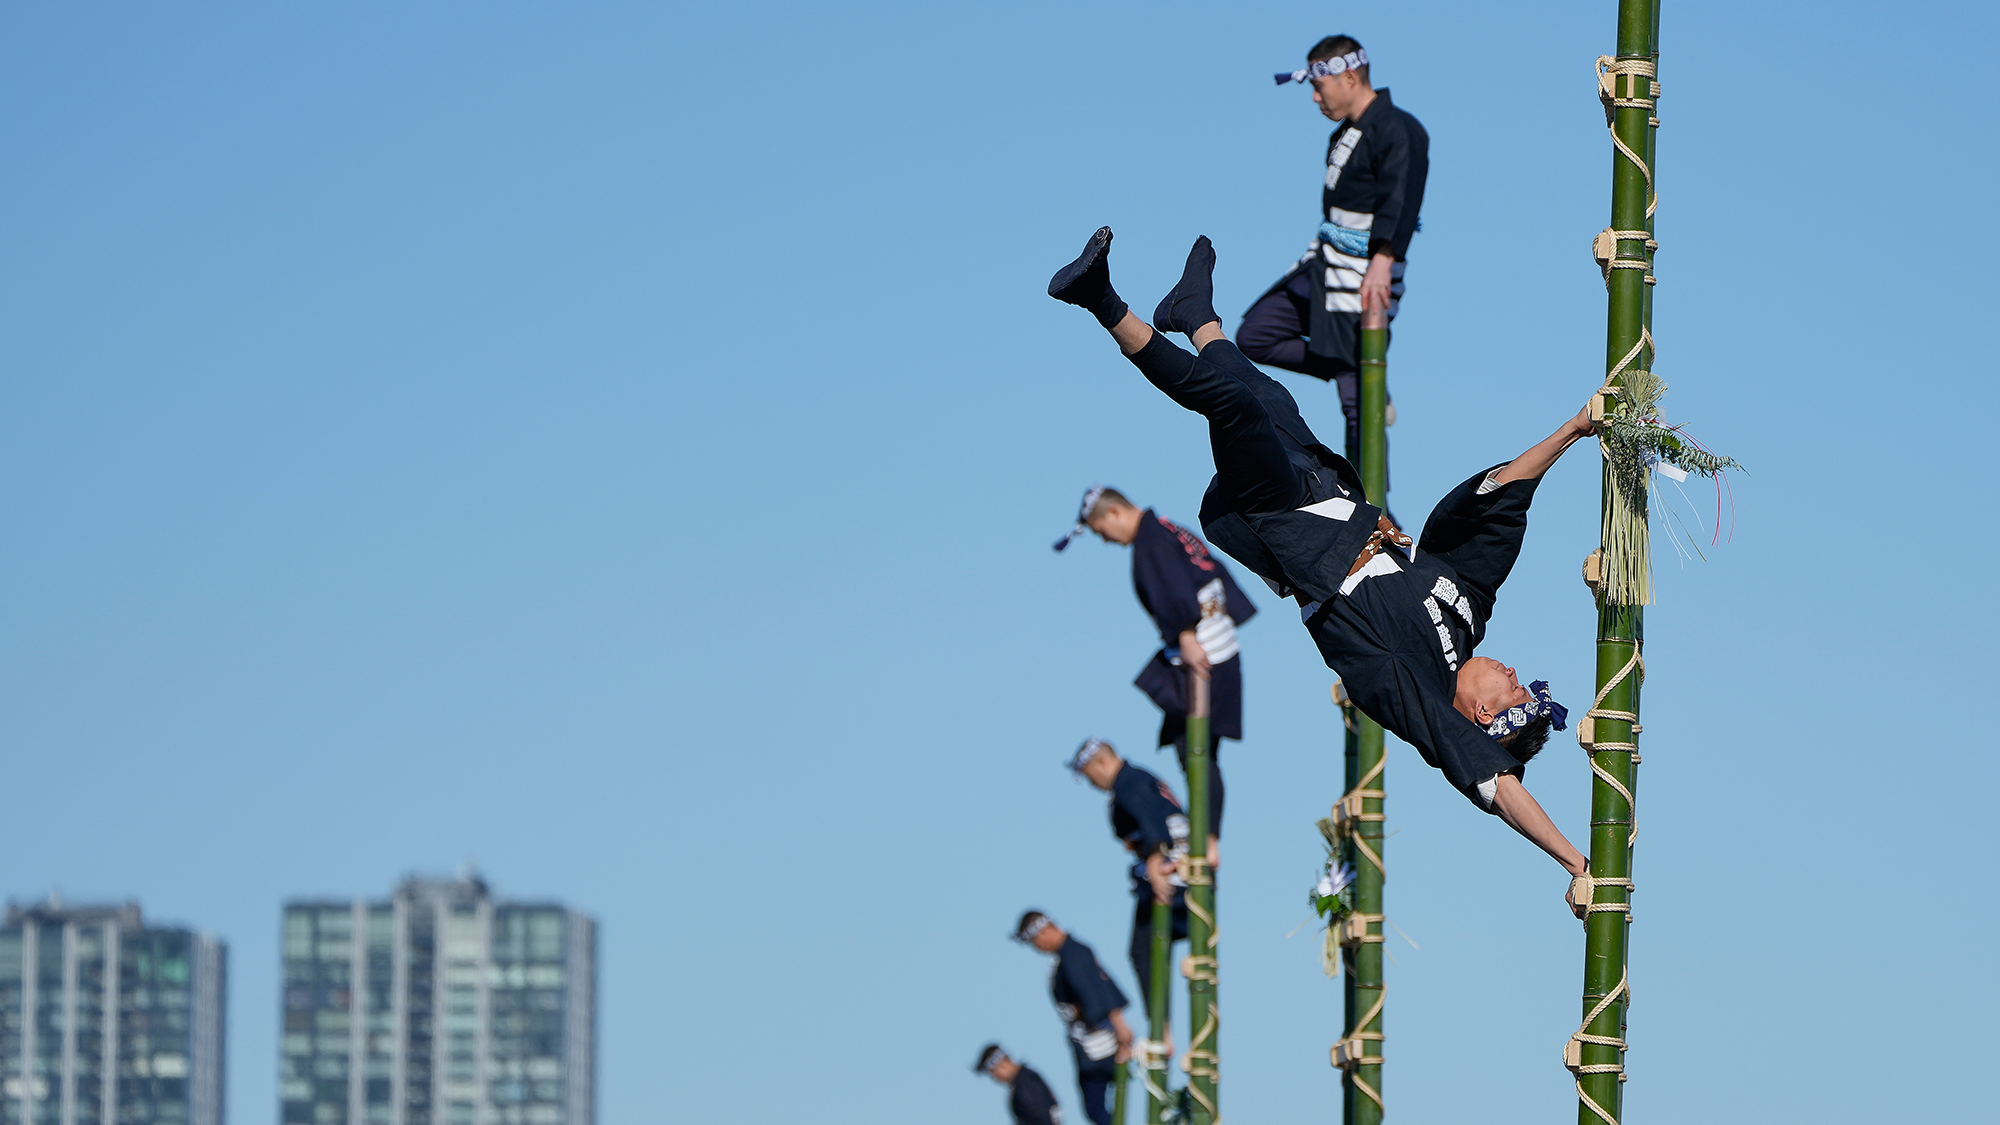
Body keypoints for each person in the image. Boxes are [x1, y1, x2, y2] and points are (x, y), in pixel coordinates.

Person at [1048, 228, 1592, 914]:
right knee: (1265, 396)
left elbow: (1498, 784)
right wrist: (1571, 432)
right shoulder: (1468, 605)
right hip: (1329, 491)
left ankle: (1100, 298)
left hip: (1283, 527)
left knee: (1234, 405)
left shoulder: (1415, 688)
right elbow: (1501, 499)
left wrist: (1576, 862)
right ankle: (1195, 315)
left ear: (1483, 713)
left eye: (1509, 689)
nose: (1514, 672)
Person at [1238, 35, 1429, 465]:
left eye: (1319, 87)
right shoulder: (1346, 133)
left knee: (1357, 409)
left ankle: (1377, 513)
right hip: (1323, 261)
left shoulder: (1398, 128)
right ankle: (1354, 368)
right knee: (1255, 334)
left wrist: (1382, 260)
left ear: (1348, 78)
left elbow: (1400, 200)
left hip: (1363, 273)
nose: (1314, 97)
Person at [1054, 486, 1256, 830]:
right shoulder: (1167, 529)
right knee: (1188, 740)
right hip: (1216, 643)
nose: (1106, 541)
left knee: (1195, 748)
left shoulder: (1153, 542)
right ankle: (1206, 834)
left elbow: (1177, 589)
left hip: (1202, 650)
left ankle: (1206, 837)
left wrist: (1187, 635)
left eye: (1102, 532)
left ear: (1114, 513)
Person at [1067, 737, 1198, 993]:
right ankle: (1164, 1024)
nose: (1091, 784)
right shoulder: (1137, 779)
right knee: (1145, 948)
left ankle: (1163, 1030)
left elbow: (1154, 826)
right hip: (1180, 869)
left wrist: (1155, 863)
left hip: (1174, 873)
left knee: (1143, 951)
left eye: (1089, 775)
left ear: (1103, 762)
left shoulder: (1129, 783)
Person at [1012, 911, 1134, 1125]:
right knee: (1094, 1108)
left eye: (1034, 941)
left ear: (1043, 932)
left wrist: (1120, 1028)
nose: (1036, 947)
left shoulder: (1073, 955)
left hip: (1099, 1042)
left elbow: (1098, 993)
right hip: (1091, 1041)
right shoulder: (1070, 954)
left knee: (1095, 1107)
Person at [973, 1044, 1064, 1125]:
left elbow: (1041, 1118)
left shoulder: (1025, 1086)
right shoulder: (1028, 1077)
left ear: (1003, 1066)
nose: (995, 1079)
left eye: (993, 1073)